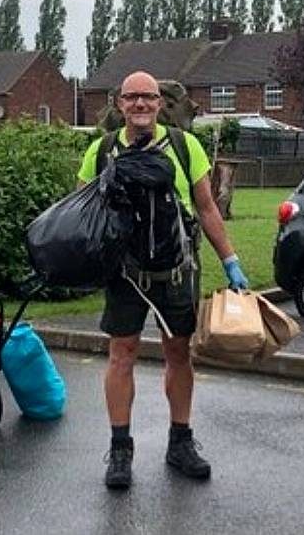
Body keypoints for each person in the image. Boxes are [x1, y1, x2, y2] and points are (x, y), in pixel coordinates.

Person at [77, 71, 250, 488]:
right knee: (122, 354)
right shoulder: (100, 151)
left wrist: (231, 260)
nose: (140, 104)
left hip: (178, 269)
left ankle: (180, 442)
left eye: (148, 98)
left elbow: (207, 209)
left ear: (160, 103)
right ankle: (120, 450)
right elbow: (82, 211)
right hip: (125, 274)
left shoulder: (184, 146)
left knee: (179, 354)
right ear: (119, 103)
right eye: (132, 97)